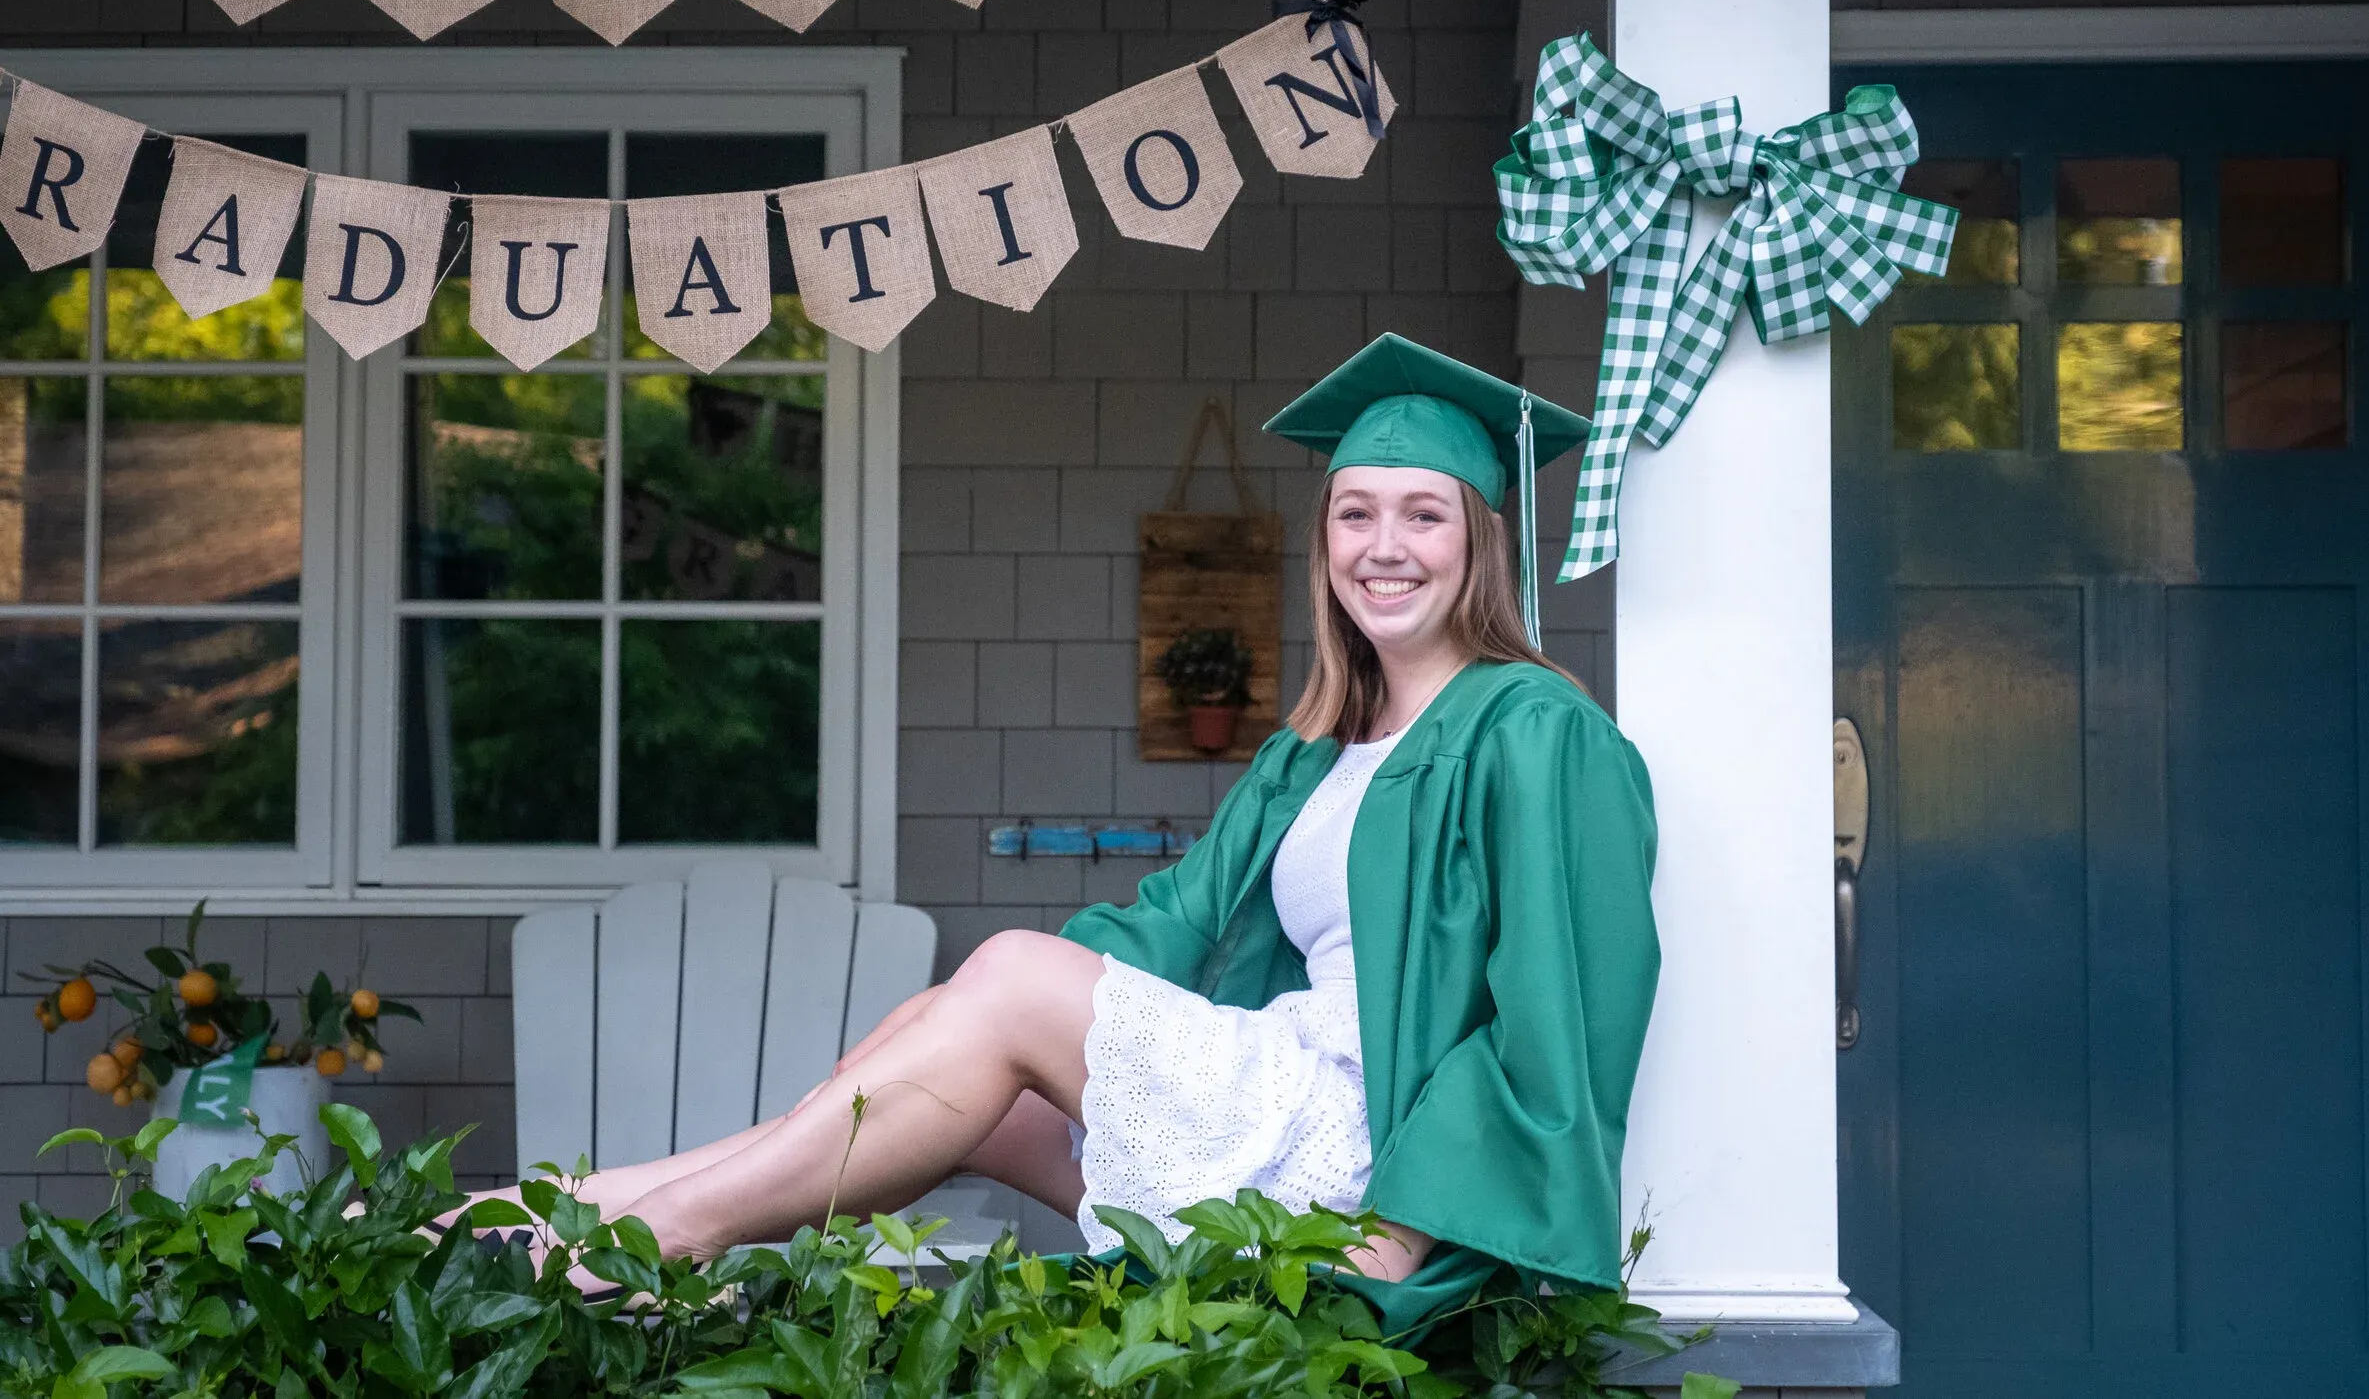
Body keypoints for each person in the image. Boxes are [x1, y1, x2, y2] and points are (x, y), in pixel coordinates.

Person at [478, 334, 1662, 1333]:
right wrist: (961, 1020)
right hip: (1287, 1092)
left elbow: (1564, 1008)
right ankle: (573, 1212)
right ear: (1325, 541)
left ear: (1480, 541)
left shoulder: (1535, 730)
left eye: (1423, 513)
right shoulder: (1312, 750)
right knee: (952, 1049)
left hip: (1381, 1155)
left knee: (998, 982)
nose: (1384, 545)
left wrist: (1402, 1231)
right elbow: (1167, 925)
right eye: (1356, 512)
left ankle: (663, 1235)